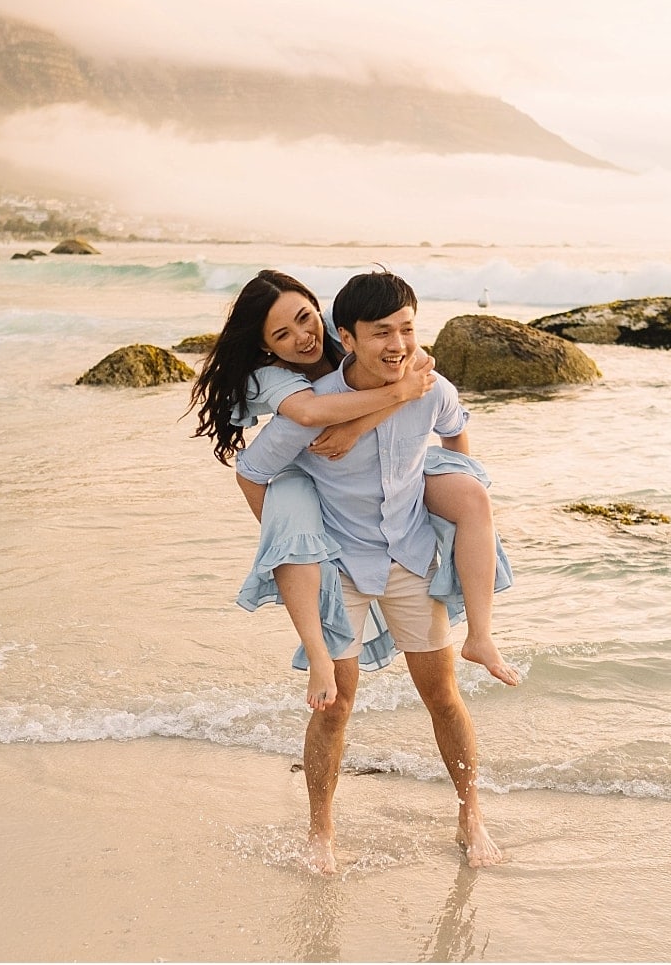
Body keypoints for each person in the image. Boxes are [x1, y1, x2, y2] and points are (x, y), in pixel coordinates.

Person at [233, 270, 506, 872]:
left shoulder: (430, 388)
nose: (398, 345)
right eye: (381, 332)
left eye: (407, 329)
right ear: (346, 337)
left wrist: (452, 495)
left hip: (409, 551)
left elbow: (457, 432)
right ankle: (321, 834)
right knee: (335, 704)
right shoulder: (310, 413)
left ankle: (470, 814)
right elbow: (252, 472)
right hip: (344, 564)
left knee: (443, 696)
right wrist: (289, 537)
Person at [190, 271, 519, 716]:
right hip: (309, 475)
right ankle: (317, 658)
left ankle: (481, 636)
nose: (303, 338)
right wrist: (290, 538)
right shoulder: (271, 376)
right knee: (295, 532)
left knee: (470, 494)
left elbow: (414, 363)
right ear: (267, 345)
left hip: (388, 466)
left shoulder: (344, 324)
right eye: (282, 335)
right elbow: (309, 414)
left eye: (306, 319)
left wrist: (367, 421)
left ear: (318, 310)